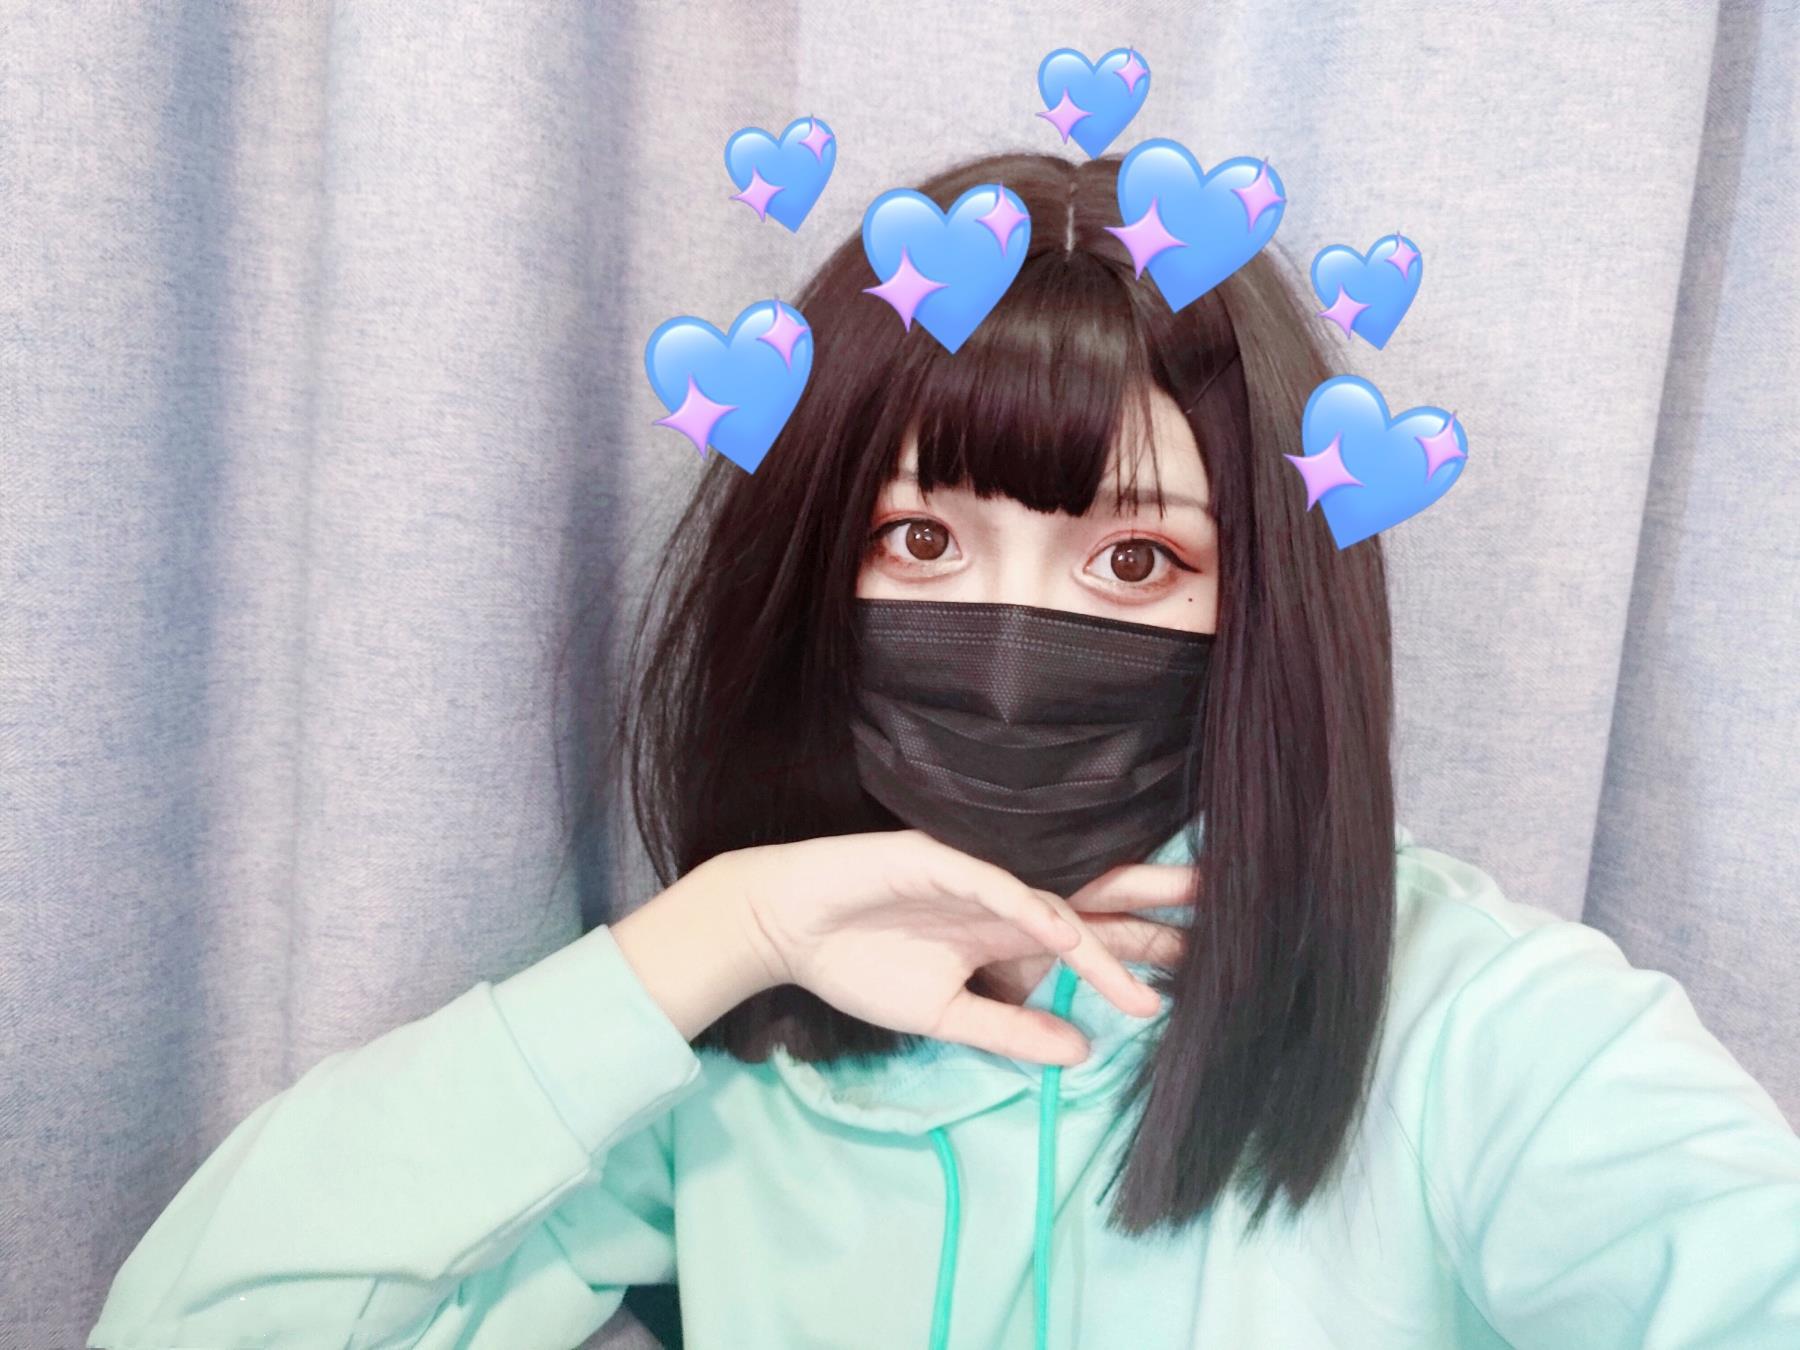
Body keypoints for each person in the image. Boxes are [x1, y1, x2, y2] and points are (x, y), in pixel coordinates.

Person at [89, 151, 1800, 1350]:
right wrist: (717, 936)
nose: (1005, 644)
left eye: (1137, 561)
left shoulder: (1478, 1026)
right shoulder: (730, 1061)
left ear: (1265, 611)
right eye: (920, 541)